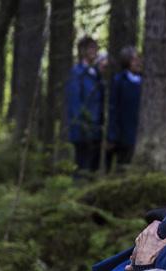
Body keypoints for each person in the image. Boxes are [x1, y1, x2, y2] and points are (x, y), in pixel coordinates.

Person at [66, 36, 104, 175]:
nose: (94, 51)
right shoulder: (77, 73)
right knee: (82, 164)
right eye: (91, 48)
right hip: (83, 128)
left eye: (95, 48)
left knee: (93, 164)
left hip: (95, 127)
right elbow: (75, 102)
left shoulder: (96, 73)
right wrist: (82, 124)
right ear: (82, 51)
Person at [106, 46, 142, 172]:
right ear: (127, 62)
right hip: (124, 134)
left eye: (138, 59)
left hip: (140, 132)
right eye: (134, 59)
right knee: (123, 165)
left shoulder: (143, 80)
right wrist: (112, 136)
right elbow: (113, 108)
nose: (137, 62)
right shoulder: (119, 80)